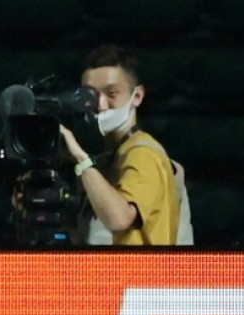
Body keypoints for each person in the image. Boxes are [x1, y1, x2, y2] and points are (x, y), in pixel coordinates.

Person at [60, 43, 193, 245]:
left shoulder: (144, 153)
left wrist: (80, 158)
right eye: (92, 96)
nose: (101, 105)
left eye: (111, 94)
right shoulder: (110, 159)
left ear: (137, 96)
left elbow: (120, 218)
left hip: (140, 274)